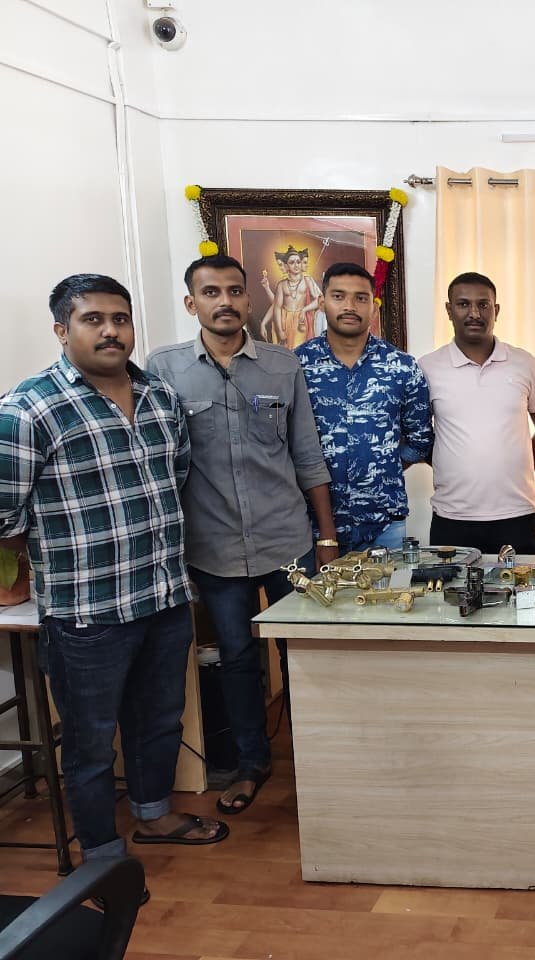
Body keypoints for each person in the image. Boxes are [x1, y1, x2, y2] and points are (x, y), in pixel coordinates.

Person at [0, 274, 228, 861]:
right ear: (62, 330)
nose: (110, 331)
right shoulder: (29, 409)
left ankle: (154, 815)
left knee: (160, 722)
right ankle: (102, 859)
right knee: (90, 743)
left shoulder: (161, 399)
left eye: (119, 319)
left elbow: (175, 478)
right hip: (87, 613)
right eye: (92, 319)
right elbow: (3, 514)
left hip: (163, 596)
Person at [148, 254, 339, 817]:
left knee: (303, 653)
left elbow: (307, 454)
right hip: (213, 545)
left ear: (250, 300)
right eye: (211, 292)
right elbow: (159, 462)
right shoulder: (164, 370)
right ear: (192, 303)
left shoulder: (282, 365)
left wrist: (326, 539)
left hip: (286, 540)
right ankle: (252, 763)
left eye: (234, 291)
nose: (225, 301)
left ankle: (318, 761)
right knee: (235, 656)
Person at [296, 262, 433, 553]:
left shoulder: (402, 367)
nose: (349, 306)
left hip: (384, 522)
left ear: (374, 307)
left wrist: (383, 464)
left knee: (390, 586)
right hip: (311, 524)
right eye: (338, 296)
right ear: (321, 302)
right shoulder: (296, 365)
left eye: (360, 298)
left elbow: (420, 439)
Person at [418, 272, 535, 553]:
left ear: (496, 310)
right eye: (463, 304)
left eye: (483, 304)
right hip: (452, 516)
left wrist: (524, 462)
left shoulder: (524, 364)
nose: (474, 313)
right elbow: (416, 436)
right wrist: (446, 460)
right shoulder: (427, 368)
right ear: (449, 310)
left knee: (522, 583)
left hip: (517, 513)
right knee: (449, 584)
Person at [260, 245, 323, 348]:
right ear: (286, 266)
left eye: (298, 262)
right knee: (286, 351)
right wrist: (280, 330)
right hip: (285, 320)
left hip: (301, 321)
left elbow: (319, 300)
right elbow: (277, 307)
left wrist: (304, 309)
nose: (296, 265)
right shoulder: (282, 284)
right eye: (292, 262)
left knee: (299, 349)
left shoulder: (307, 280)